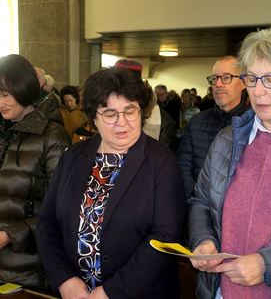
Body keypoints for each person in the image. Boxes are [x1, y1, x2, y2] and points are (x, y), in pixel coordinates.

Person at [36, 67, 186, 299]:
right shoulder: (73, 156)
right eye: (109, 113)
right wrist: (64, 279)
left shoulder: (162, 162)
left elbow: (165, 237)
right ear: (94, 117)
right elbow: (47, 222)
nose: (121, 122)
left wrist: (110, 292)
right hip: (76, 292)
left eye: (130, 111)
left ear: (141, 112)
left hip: (139, 293)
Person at [188, 23, 271, 299]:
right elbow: (201, 202)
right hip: (220, 292)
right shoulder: (227, 139)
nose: (258, 91)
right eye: (252, 79)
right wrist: (203, 240)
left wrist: (267, 263)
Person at [0, 54, 70, 291]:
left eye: (4, 95)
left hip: (30, 266)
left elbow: (61, 208)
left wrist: (9, 235)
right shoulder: (2, 132)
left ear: (23, 90)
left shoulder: (52, 137)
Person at [177, 55, 247, 198]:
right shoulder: (196, 123)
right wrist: (198, 205)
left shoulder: (256, 125)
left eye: (226, 77)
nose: (218, 84)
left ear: (243, 82)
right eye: (214, 78)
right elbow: (183, 168)